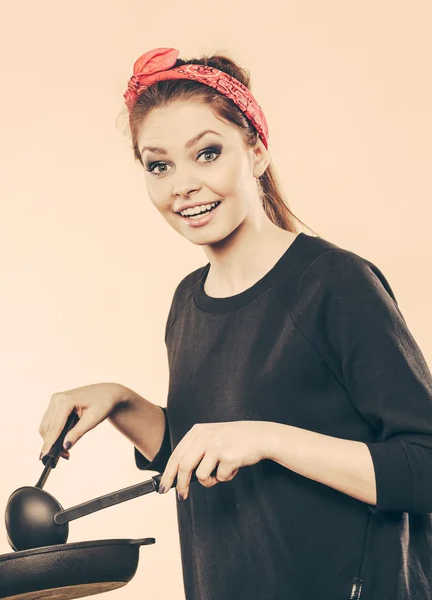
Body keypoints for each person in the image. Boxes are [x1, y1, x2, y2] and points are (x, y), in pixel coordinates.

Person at [38, 47, 432, 600]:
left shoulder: (334, 284)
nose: (182, 185)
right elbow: (207, 455)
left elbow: (424, 465)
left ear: (257, 152)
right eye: (159, 165)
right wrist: (124, 403)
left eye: (207, 153)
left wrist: (268, 440)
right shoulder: (185, 304)